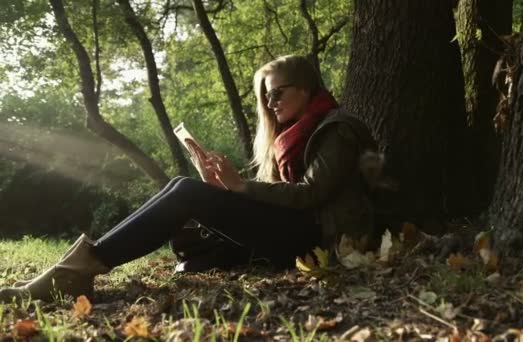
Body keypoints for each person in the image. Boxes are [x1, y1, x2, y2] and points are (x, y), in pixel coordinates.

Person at [0, 55, 376, 303]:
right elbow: (272, 195)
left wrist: (240, 187)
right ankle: (78, 267)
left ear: (306, 89)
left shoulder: (336, 129)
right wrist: (220, 184)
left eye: (278, 92)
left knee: (186, 193)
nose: (271, 102)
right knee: (185, 185)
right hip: (293, 233)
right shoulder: (290, 137)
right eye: (265, 96)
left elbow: (310, 195)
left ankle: (75, 272)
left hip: (321, 241)